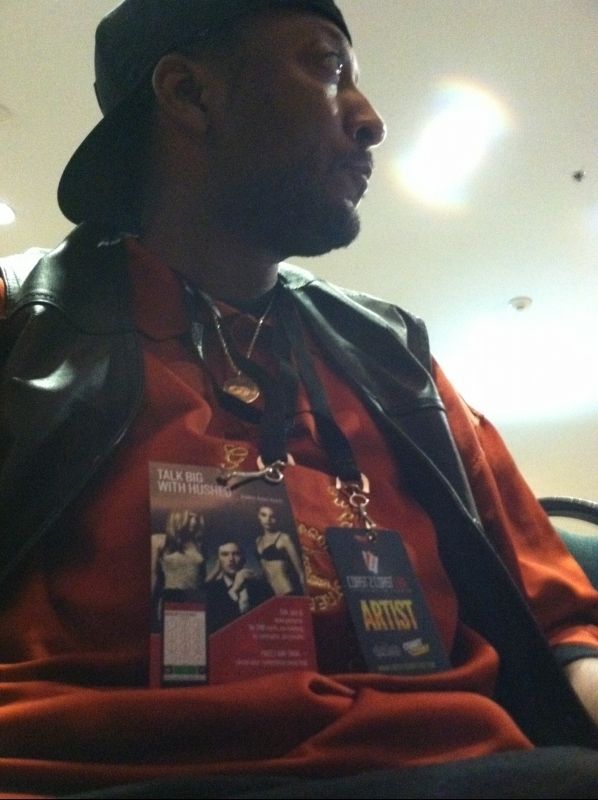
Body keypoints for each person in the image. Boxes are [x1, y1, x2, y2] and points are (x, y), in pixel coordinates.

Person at [0, 1, 597, 797]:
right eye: (327, 66)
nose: (371, 119)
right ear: (189, 94)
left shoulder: (398, 360)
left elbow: (558, 621)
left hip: (452, 770)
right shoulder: (23, 323)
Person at [206, 540, 274, 632]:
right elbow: (215, 626)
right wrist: (235, 589)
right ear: (219, 561)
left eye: (236, 554)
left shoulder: (262, 587)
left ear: (243, 559)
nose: (231, 559)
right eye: (225, 554)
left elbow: (270, 624)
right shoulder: (211, 590)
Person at [255, 505, 305, 596]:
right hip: (270, 592)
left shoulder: (284, 538)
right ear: (258, 516)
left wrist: (306, 596)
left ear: (277, 519)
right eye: (264, 515)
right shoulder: (258, 540)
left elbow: (301, 573)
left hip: (287, 589)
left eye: (272, 516)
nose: (268, 520)